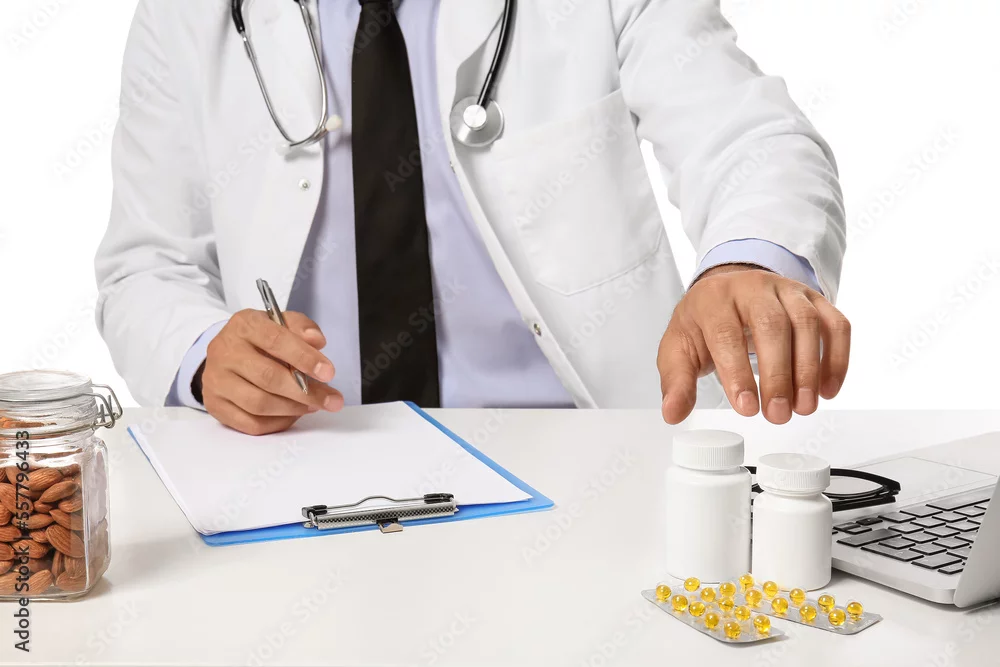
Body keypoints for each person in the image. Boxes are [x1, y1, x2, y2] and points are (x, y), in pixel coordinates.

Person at [95, 0, 850, 435]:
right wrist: (205, 358)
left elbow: (750, 138)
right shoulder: (185, 16)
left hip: (587, 459)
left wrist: (747, 264)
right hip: (310, 467)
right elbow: (146, 266)